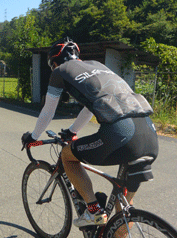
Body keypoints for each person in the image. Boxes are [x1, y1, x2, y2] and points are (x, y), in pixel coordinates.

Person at [22, 38, 158, 228]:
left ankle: (93, 211)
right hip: (149, 134)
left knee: (67, 156)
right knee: (124, 210)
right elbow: (90, 108)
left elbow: (48, 111)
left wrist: (33, 137)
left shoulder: (60, 71)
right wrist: (72, 131)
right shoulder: (97, 65)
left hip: (121, 134)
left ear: (54, 62)